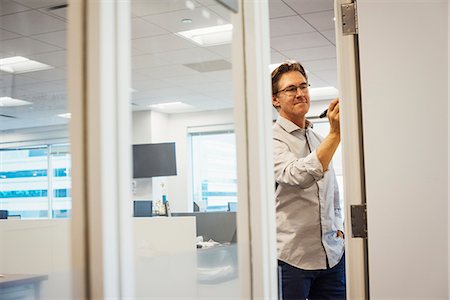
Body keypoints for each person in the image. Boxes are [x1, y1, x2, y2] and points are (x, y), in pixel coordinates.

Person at [272, 61, 345, 300]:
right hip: (292, 260)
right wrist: (335, 135)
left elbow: (331, 191)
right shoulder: (270, 140)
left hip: (331, 257)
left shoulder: (317, 138)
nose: (300, 93)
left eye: (304, 86)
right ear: (276, 100)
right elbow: (298, 176)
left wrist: (339, 227)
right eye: (291, 89)